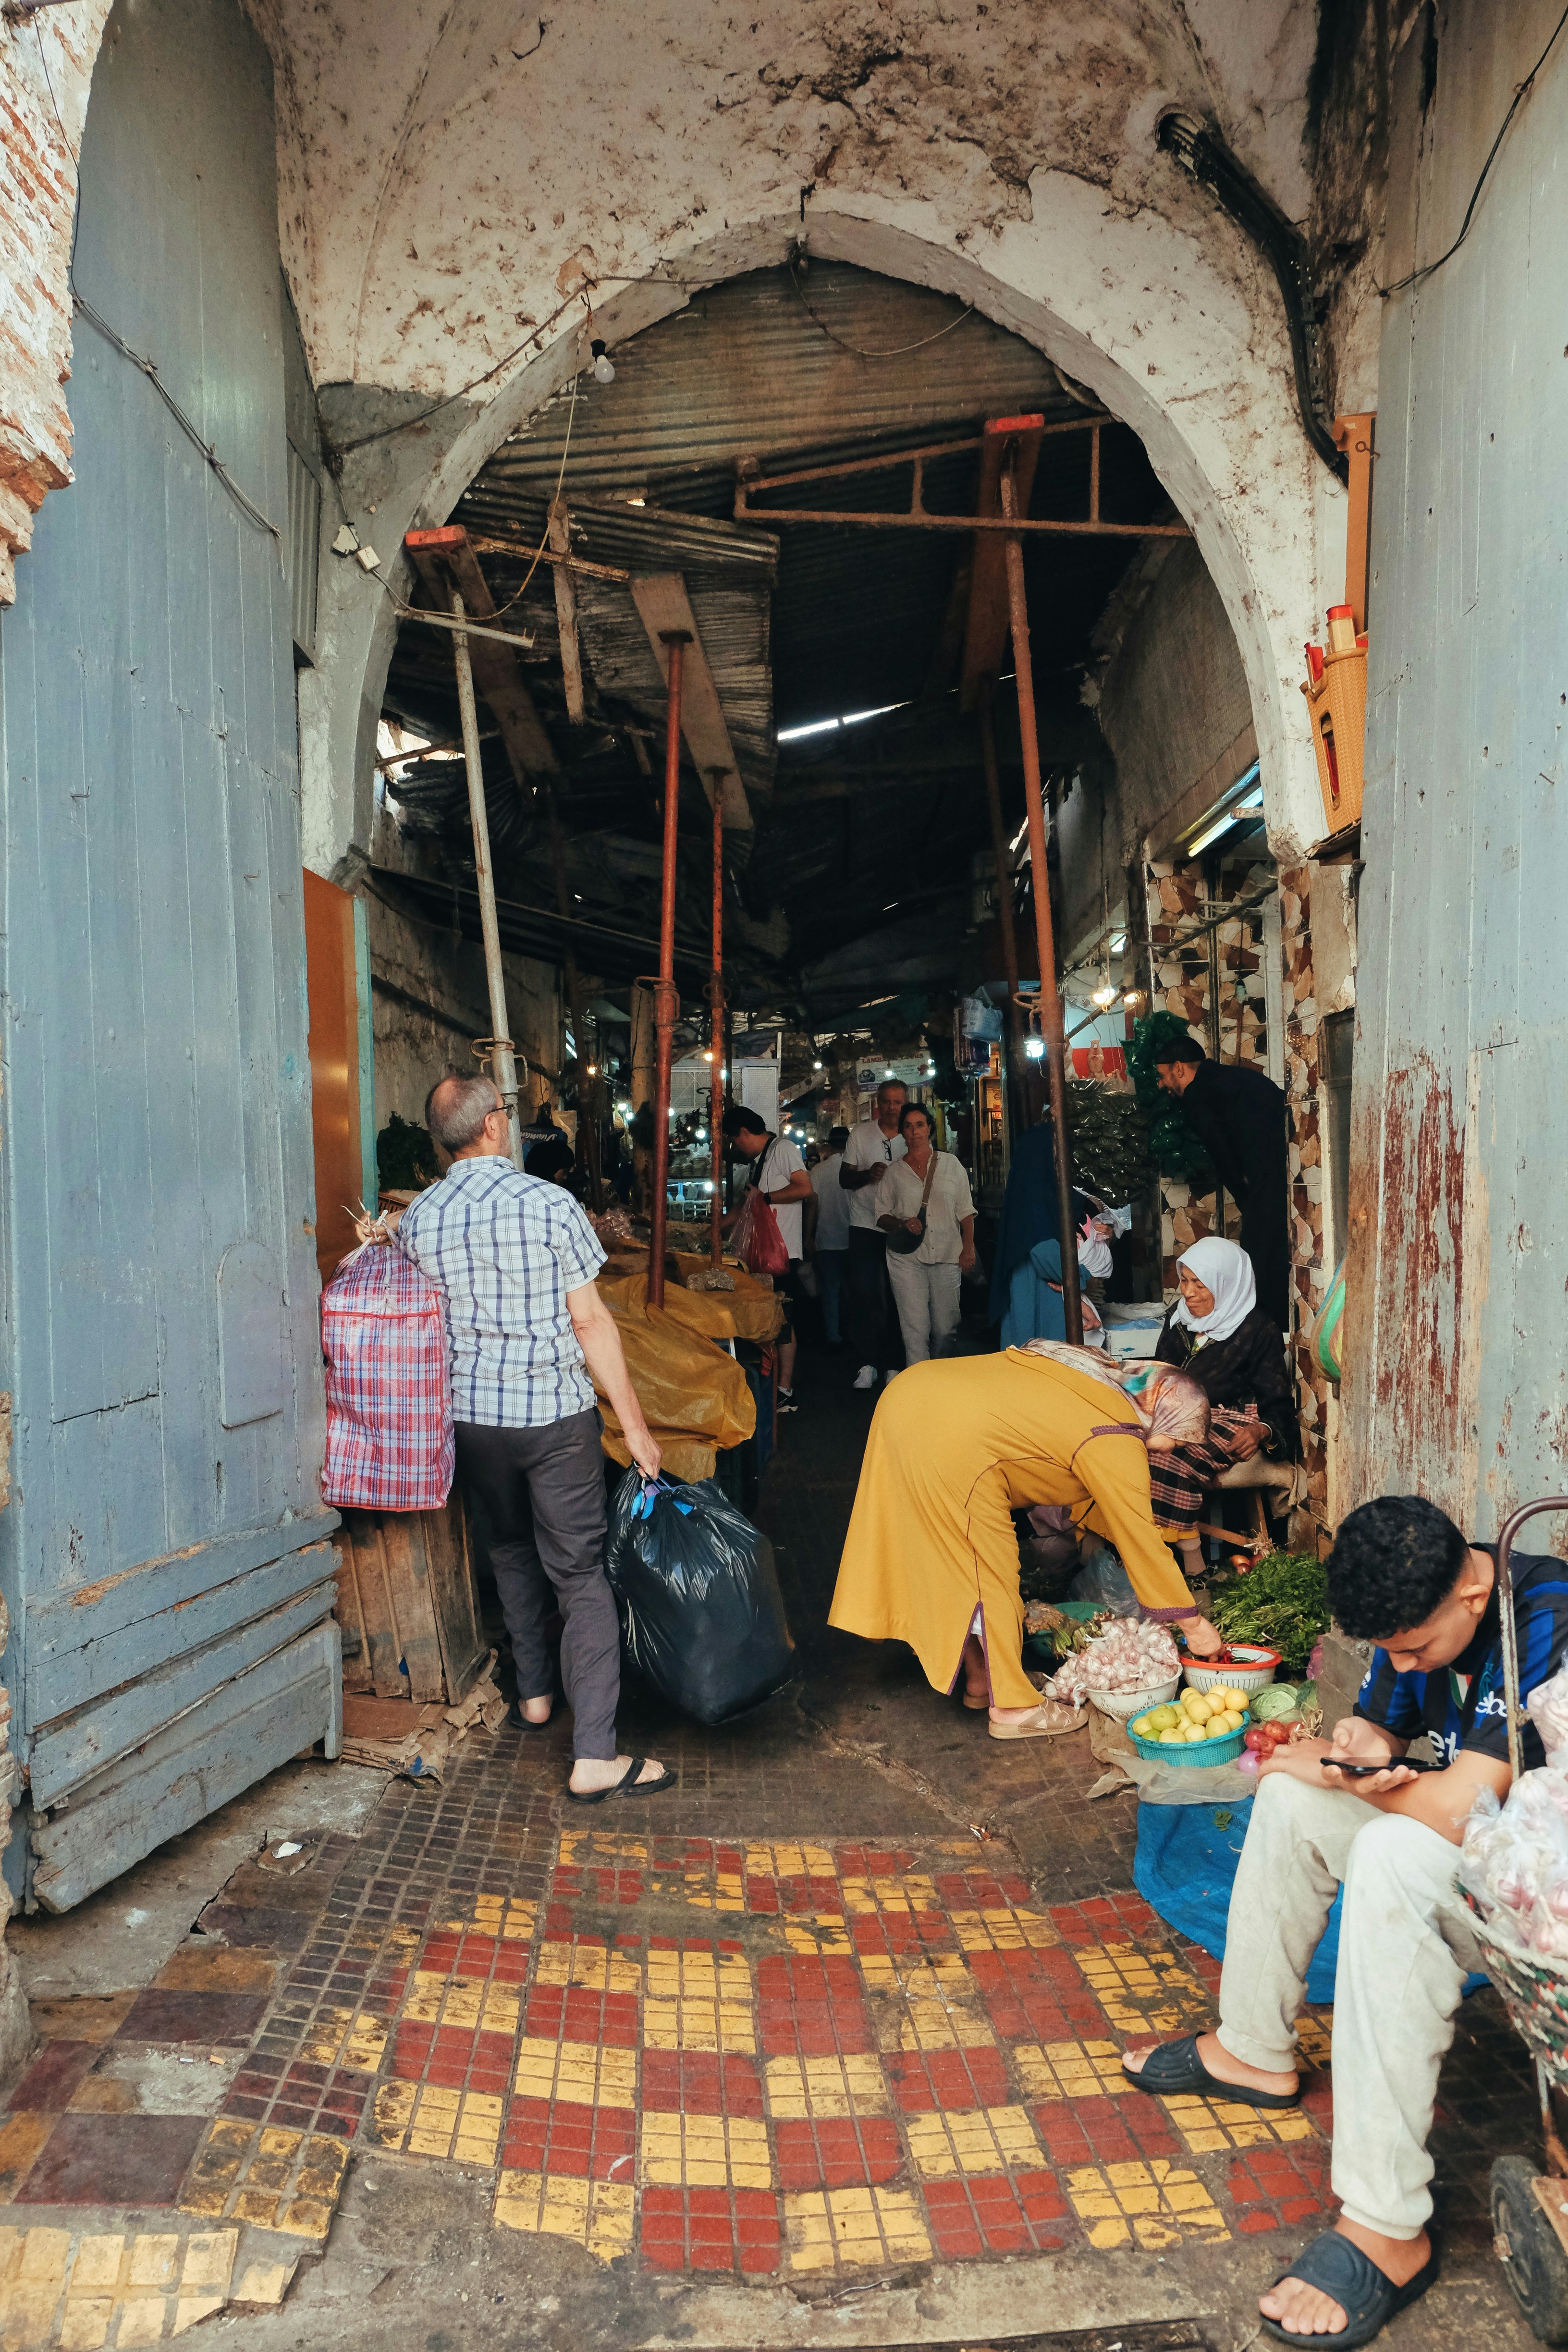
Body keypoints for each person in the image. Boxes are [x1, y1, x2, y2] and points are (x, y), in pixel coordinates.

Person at [1124, 1494, 1568, 2348]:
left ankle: (1384, 2225)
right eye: (1387, 1651)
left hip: (1536, 1897)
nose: (1401, 1665)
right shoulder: (1410, 1609)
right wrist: (1356, 1745)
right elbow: (1378, 1732)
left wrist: (1378, 1780)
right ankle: (1249, 2050)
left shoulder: (1534, 1614)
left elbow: (1452, 1804)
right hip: (1478, 1858)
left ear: (1468, 1600)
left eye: (1414, 1650)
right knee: (1290, 1793)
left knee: (1392, 1854)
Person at [387, 1073, 673, 1805]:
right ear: (492, 1128)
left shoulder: (420, 1219)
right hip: (551, 1418)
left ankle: (537, 1696)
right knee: (579, 1576)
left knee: (509, 1549)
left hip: (473, 1420)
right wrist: (635, 1427)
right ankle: (596, 1756)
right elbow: (590, 1324)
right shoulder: (550, 1205)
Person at [829, 1340, 1226, 1740]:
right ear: (1163, 1411)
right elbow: (1140, 1537)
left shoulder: (1096, 1380)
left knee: (949, 1561)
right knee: (989, 1572)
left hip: (914, 1399)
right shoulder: (1113, 1434)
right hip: (950, 1436)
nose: (1171, 1449)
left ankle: (983, 1681)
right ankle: (1014, 1709)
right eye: (1178, 1436)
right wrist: (1192, 1624)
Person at [1146, 1235, 1296, 1584]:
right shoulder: (1178, 1320)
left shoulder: (1258, 1330)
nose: (1188, 1292)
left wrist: (1263, 1431)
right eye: (1185, 1280)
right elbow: (1157, 1373)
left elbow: (1279, 1403)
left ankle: (1193, 1568)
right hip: (1170, 1415)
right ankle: (1120, 1550)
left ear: (1226, 1284)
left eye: (1201, 1284)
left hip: (1227, 1418)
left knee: (1166, 1455)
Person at [1153, 1035, 1290, 1328]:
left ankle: (1272, 1333)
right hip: (1286, 1171)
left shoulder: (1201, 1094)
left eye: (1163, 1076)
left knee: (1262, 1258)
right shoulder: (1238, 1078)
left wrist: (1247, 1197)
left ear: (1179, 1069)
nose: (1162, 1084)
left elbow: (1223, 1153)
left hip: (1264, 1180)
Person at [722, 1104, 811, 1411]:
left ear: (745, 1133)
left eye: (735, 1139)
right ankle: (777, 1386)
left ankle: (785, 1390)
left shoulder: (783, 1149)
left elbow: (804, 1188)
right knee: (774, 1320)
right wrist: (711, 1230)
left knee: (783, 1321)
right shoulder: (759, 1162)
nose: (736, 1146)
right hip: (767, 1257)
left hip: (784, 1255)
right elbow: (746, 1206)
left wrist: (767, 1198)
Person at [878, 1102, 976, 1364]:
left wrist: (969, 1248)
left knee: (946, 1330)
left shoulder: (951, 1165)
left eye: (920, 1125)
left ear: (930, 1129)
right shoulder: (894, 1173)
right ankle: (918, 1392)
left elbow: (966, 1211)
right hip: (907, 1260)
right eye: (908, 1126)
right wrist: (901, 1223)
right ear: (902, 1133)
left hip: (946, 1254)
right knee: (915, 1331)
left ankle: (939, 1379)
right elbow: (881, 1216)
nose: (914, 1131)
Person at [988, 1120, 1100, 1348]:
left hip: (1031, 1301)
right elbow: (1046, 1252)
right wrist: (1083, 1277)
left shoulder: (1027, 1194)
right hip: (1042, 1306)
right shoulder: (1034, 1202)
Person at [839, 1079, 908, 1391]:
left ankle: (894, 1363)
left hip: (901, 1228)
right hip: (865, 1226)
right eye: (888, 1102)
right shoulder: (861, 1135)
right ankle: (867, 1363)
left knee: (900, 1296)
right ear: (878, 1103)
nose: (893, 1107)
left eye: (898, 1102)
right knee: (865, 1295)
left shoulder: (914, 1135)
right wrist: (868, 1174)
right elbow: (845, 1180)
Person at [808, 1125, 852, 1348]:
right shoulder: (858, 1170)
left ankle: (834, 1337)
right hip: (855, 1240)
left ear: (829, 1146)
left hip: (826, 1239)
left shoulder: (818, 1172)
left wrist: (809, 1236)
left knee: (830, 1292)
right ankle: (855, 1334)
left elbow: (813, 1206)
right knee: (855, 1291)